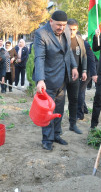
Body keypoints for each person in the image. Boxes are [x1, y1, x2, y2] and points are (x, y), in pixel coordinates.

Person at [33, 10, 79, 151]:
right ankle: (47, 139)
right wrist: (40, 79)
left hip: (62, 77)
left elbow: (68, 51)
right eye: (58, 25)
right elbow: (39, 57)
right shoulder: (41, 34)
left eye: (63, 25)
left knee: (59, 108)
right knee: (47, 111)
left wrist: (74, 66)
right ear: (51, 21)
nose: (61, 28)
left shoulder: (65, 30)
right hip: (47, 80)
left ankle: (57, 135)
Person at [65, 19, 87, 134]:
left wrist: (84, 70)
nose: (72, 31)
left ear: (77, 29)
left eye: (74, 29)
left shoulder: (79, 40)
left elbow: (84, 56)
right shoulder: (61, 39)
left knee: (74, 100)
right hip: (63, 75)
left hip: (75, 76)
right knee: (59, 100)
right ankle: (54, 125)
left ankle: (72, 124)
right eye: (70, 29)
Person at [77, 38, 97, 120]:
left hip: (86, 73)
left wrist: (93, 74)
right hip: (79, 72)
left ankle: (79, 115)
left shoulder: (85, 44)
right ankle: (84, 109)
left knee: (79, 92)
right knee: (81, 91)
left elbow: (92, 60)